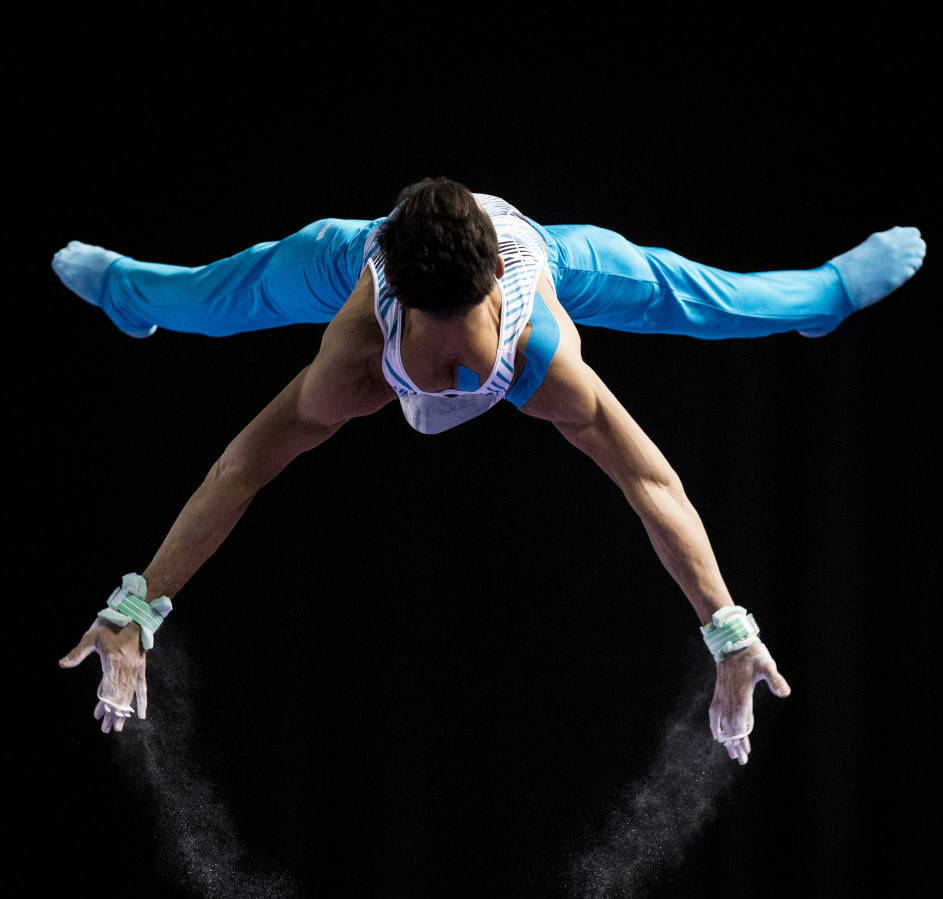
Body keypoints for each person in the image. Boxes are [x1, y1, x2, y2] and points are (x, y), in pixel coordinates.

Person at [54, 179, 926, 765]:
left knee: (702, 297)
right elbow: (240, 469)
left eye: (467, 355)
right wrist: (136, 610)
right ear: (394, 304)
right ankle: (129, 292)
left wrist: (728, 632)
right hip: (355, 253)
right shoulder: (356, 348)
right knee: (216, 295)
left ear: (494, 296)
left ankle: (825, 295)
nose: (449, 378)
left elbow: (650, 483)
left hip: (546, 250)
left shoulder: (540, 349)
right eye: (431, 359)